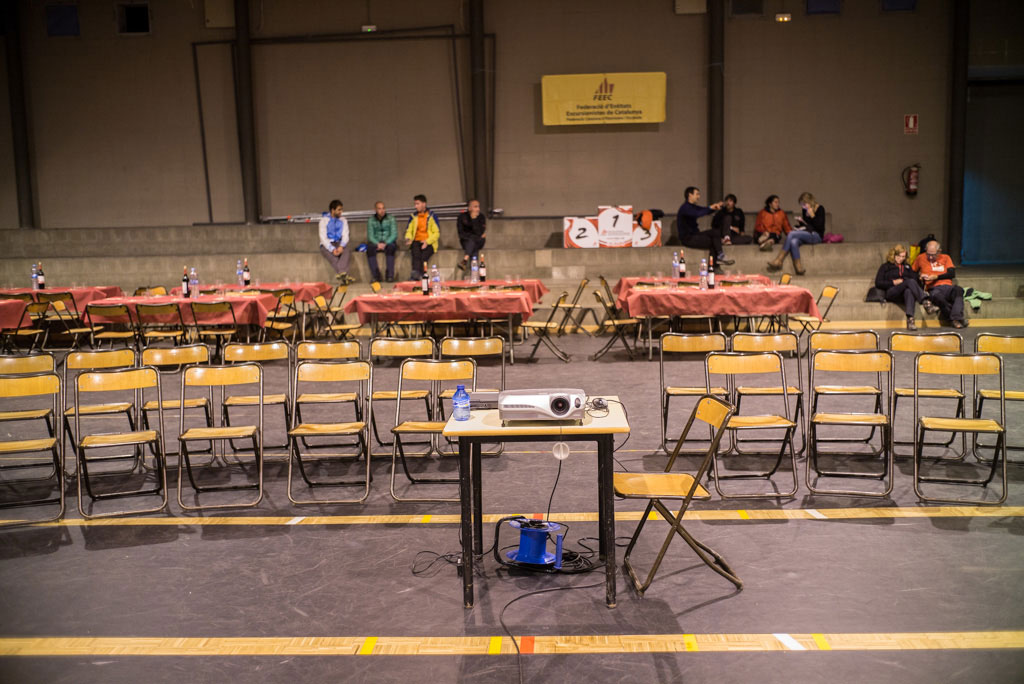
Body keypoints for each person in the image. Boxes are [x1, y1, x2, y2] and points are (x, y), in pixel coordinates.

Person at [766, 191, 826, 276]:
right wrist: (801, 222)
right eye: (802, 205)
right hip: (807, 233)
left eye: (804, 204)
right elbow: (807, 226)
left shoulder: (820, 209)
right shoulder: (805, 210)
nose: (803, 207)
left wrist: (812, 215)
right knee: (793, 241)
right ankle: (799, 267)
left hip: (816, 235)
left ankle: (779, 260)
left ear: (809, 201)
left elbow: (820, 227)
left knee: (791, 234)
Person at [912, 238, 968, 328]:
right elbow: (912, 273)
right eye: (928, 254)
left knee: (959, 290)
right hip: (933, 288)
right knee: (938, 297)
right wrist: (920, 277)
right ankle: (956, 319)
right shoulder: (921, 258)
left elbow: (951, 274)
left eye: (933, 255)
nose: (930, 257)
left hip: (947, 286)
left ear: (939, 251)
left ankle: (955, 318)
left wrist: (936, 277)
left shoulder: (946, 257)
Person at [675, 186, 734, 269]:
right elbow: (697, 213)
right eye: (697, 194)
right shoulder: (685, 208)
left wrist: (714, 207)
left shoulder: (692, 206)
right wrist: (710, 207)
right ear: (690, 195)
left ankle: (719, 258)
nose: (698, 197)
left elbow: (703, 209)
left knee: (715, 233)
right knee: (714, 242)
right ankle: (714, 266)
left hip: (695, 235)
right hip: (688, 238)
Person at [874, 244, 928, 330]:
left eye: (903, 257)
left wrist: (920, 277)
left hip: (903, 294)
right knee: (909, 282)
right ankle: (925, 302)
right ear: (893, 255)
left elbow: (914, 280)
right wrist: (893, 282)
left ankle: (910, 320)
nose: (901, 259)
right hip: (892, 292)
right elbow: (878, 282)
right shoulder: (885, 267)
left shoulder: (907, 267)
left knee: (909, 291)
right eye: (899, 256)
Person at [404, 194, 440, 281]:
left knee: (423, 256)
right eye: (415, 204)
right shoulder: (413, 217)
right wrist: (408, 238)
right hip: (416, 241)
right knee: (416, 255)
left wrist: (427, 242)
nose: (415, 206)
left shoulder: (432, 216)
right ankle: (417, 275)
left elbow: (436, 233)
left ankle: (417, 276)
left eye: (417, 204)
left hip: (429, 242)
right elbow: (409, 230)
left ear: (424, 204)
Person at [318, 199, 353, 283]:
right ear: (333, 210)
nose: (341, 212)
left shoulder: (343, 220)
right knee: (333, 258)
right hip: (327, 244)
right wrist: (332, 249)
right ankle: (344, 275)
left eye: (341, 209)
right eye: (339, 210)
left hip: (339, 243)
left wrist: (341, 246)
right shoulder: (324, 221)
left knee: (346, 251)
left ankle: (342, 274)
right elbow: (323, 237)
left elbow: (345, 235)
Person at [365, 201, 398, 283]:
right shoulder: (371, 220)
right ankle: (376, 276)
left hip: (388, 241)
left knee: (391, 248)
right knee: (370, 249)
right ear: (375, 210)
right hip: (376, 241)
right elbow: (370, 236)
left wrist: (386, 243)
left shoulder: (391, 218)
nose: (382, 210)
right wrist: (377, 244)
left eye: (383, 208)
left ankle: (390, 275)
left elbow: (394, 234)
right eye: (379, 209)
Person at [456, 199, 486, 272]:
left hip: (479, 241)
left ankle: (465, 260)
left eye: (478, 207)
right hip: (466, 241)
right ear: (469, 208)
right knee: (473, 246)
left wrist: (474, 220)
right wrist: (473, 237)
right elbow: (461, 234)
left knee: (474, 241)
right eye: (475, 207)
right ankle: (474, 272)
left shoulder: (481, 217)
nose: (478, 209)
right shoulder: (462, 217)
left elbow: (480, 232)